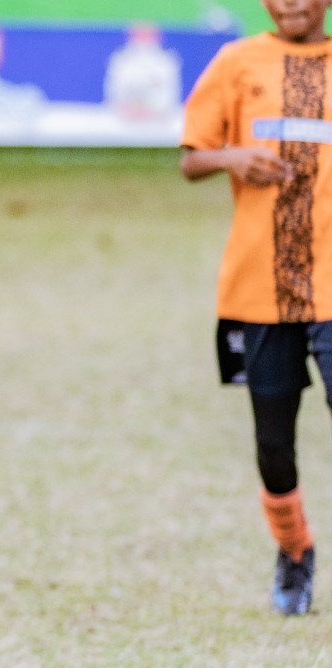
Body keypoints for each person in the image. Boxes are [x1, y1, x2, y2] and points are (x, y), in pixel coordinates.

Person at [181, 0, 332, 615]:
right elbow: (192, 158)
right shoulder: (237, 61)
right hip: (260, 290)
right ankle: (294, 553)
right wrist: (233, 158)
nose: (290, 2)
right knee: (273, 443)